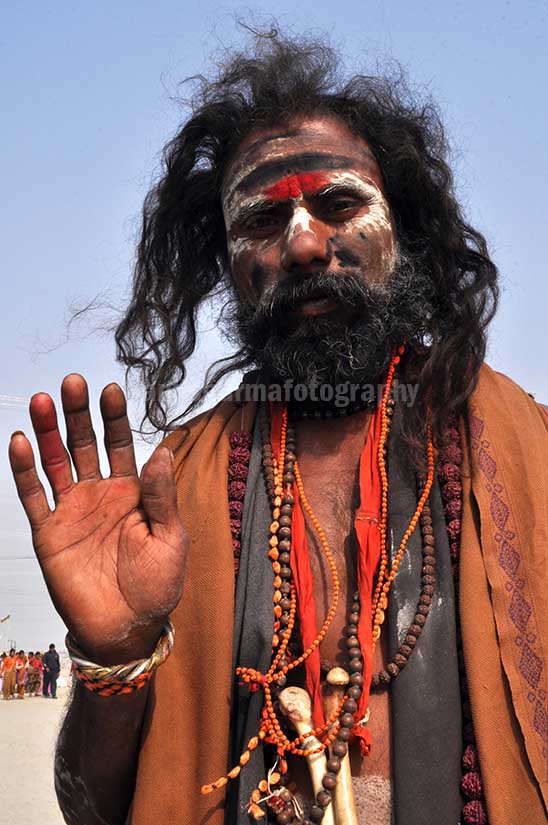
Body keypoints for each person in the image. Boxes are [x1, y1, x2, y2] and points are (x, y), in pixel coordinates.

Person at [8, 33, 548, 825]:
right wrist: (113, 658)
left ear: (407, 230)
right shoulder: (178, 492)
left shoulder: (525, 453)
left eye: (337, 205)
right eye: (263, 219)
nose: (302, 243)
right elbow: (91, 810)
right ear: (226, 264)